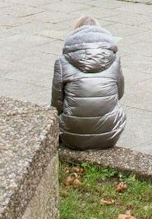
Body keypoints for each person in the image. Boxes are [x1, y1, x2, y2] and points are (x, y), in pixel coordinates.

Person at [52, 16, 125, 151]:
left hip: (71, 135)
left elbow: (57, 103)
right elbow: (119, 93)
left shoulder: (62, 62)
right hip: (110, 135)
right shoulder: (114, 60)